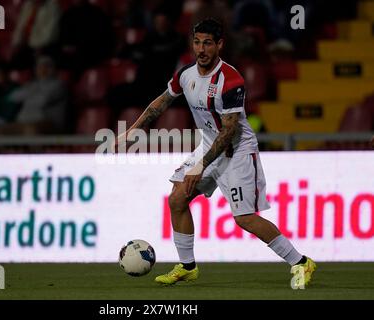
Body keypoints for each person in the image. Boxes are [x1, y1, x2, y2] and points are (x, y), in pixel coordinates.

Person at [115, 18, 316, 287]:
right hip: (209, 147)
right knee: (177, 199)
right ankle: (187, 267)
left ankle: (302, 262)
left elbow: (229, 131)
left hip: (237, 152)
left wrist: (200, 166)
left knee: (244, 218)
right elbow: (161, 103)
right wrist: (133, 131)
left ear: (219, 44)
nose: (201, 49)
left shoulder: (231, 80)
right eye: (197, 42)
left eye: (207, 43)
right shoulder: (185, 74)